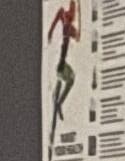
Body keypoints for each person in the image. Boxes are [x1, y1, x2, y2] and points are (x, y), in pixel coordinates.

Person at [48, 2, 82, 145]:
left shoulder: (64, 16)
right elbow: (78, 36)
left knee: (66, 77)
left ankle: (57, 98)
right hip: (61, 66)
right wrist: (80, 16)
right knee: (71, 79)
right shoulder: (69, 27)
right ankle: (59, 102)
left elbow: (57, 20)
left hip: (60, 65)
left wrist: (50, 32)